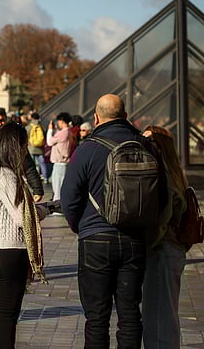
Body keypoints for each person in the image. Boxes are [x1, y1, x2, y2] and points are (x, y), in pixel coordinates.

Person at [60, 94, 166, 348]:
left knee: (96, 317)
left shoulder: (87, 148)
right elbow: (161, 196)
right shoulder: (146, 146)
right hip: (134, 239)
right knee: (130, 315)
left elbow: (68, 198)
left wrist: (80, 226)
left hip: (95, 238)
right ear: (126, 116)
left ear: (96, 117)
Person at [0, 122, 47, 348]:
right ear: (16, 146)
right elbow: (22, 216)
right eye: (23, 144)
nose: (25, 150)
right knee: (6, 312)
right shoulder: (5, 174)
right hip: (5, 249)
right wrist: (44, 210)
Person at [141, 125, 188, 349]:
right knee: (164, 317)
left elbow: (163, 218)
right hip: (172, 249)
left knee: (159, 319)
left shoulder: (165, 176)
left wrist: (148, 245)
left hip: (162, 250)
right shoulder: (175, 172)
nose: (145, 146)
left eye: (150, 142)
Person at [0, 106, 44, 202]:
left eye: (2, 120)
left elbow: (27, 164)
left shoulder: (14, 139)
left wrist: (37, 189)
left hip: (11, 186)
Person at [46, 112, 74, 201]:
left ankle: (57, 206)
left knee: (57, 187)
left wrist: (50, 130)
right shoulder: (68, 132)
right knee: (60, 186)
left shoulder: (63, 132)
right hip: (64, 163)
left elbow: (49, 142)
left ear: (61, 121)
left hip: (60, 163)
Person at [26, 112, 47, 184]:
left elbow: (25, 136)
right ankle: (45, 178)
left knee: (31, 165)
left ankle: (33, 179)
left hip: (31, 148)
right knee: (42, 164)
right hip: (40, 149)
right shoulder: (41, 127)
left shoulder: (29, 127)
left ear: (31, 118)